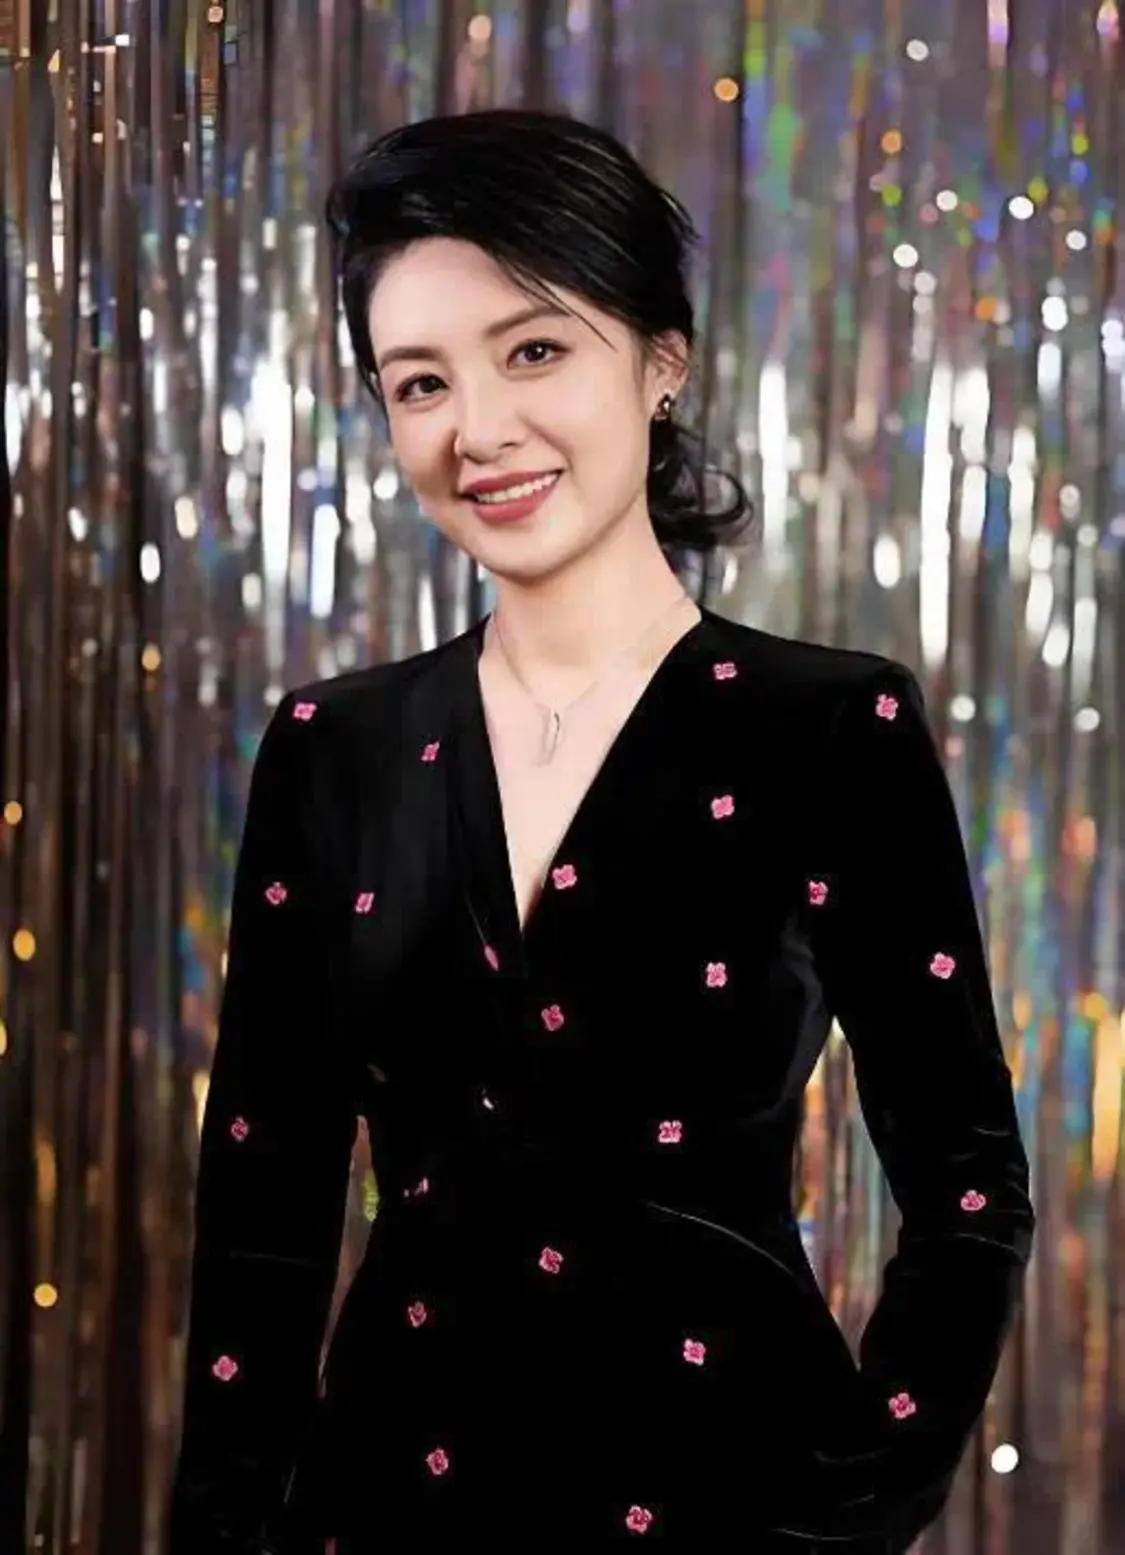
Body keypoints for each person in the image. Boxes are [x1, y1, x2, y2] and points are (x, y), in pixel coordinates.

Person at [169, 109, 1035, 1554]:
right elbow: (262, 1219)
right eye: (420, 381)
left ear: (660, 359)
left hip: (728, 1492)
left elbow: (967, 1196)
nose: (478, 430)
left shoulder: (830, 728)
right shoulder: (332, 749)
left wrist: (841, 1526)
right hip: (384, 1507)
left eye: (533, 351)